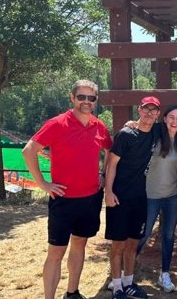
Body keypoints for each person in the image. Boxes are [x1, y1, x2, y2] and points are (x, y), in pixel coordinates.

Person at [22, 79, 112, 299]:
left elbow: (110, 149)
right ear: (72, 98)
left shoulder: (98, 125)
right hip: (63, 199)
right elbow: (28, 151)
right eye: (81, 97)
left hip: (91, 198)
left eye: (91, 98)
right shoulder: (58, 123)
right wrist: (43, 184)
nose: (86, 102)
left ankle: (72, 292)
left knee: (80, 244)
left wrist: (102, 174)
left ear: (96, 101)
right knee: (56, 252)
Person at [104, 96, 162, 299]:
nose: (149, 113)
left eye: (154, 110)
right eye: (146, 109)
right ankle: (117, 286)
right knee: (118, 244)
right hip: (119, 197)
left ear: (157, 113)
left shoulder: (156, 131)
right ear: (139, 109)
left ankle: (129, 282)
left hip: (140, 198)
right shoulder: (125, 134)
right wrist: (108, 192)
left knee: (132, 244)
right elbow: (111, 165)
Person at [136, 106, 177, 293]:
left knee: (168, 236)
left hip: (173, 195)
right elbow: (141, 126)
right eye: (171, 117)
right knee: (144, 234)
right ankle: (126, 272)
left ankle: (164, 273)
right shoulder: (155, 135)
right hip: (150, 195)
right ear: (164, 119)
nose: (175, 121)